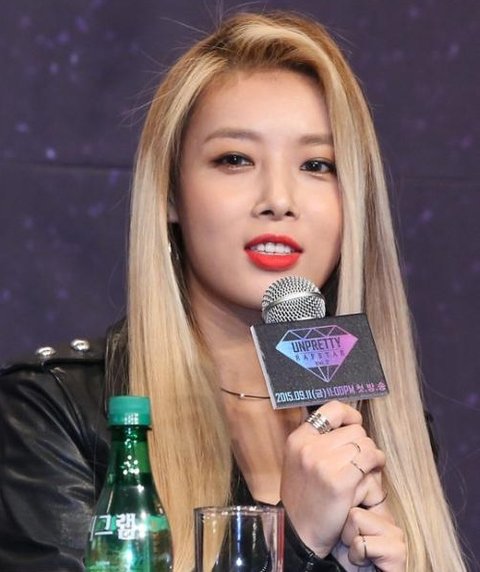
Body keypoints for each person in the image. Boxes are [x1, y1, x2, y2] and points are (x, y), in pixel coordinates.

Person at [0, 10, 467, 572]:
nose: (279, 199)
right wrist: (293, 541)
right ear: (170, 193)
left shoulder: (383, 430)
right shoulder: (56, 413)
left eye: (317, 164)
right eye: (235, 159)